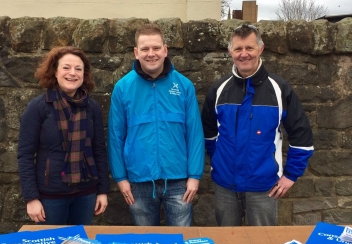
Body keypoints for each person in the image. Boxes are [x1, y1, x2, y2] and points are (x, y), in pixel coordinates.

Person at [202, 24, 314, 226]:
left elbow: (302, 137)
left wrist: (291, 176)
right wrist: (219, 160)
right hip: (225, 185)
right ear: (230, 52)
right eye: (238, 49)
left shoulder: (279, 89)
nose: (244, 54)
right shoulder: (218, 89)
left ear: (260, 49)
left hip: (264, 187)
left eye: (249, 48)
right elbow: (208, 134)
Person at [108, 23, 204, 226]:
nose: (151, 54)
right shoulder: (123, 88)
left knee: (180, 241)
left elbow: (194, 133)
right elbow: (115, 136)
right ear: (136, 52)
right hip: (138, 181)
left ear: (165, 50)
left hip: (179, 182)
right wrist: (120, 177)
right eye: (145, 49)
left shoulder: (184, 86)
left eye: (156, 48)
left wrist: (195, 176)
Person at [18, 46, 110, 225]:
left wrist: (102, 191)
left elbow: (99, 150)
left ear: (84, 74)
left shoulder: (92, 107)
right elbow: (25, 155)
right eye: (66, 67)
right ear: (55, 71)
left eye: (78, 69)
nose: (72, 73)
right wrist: (31, 198)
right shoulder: (38, 107)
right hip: (51, 196)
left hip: (86, 193)